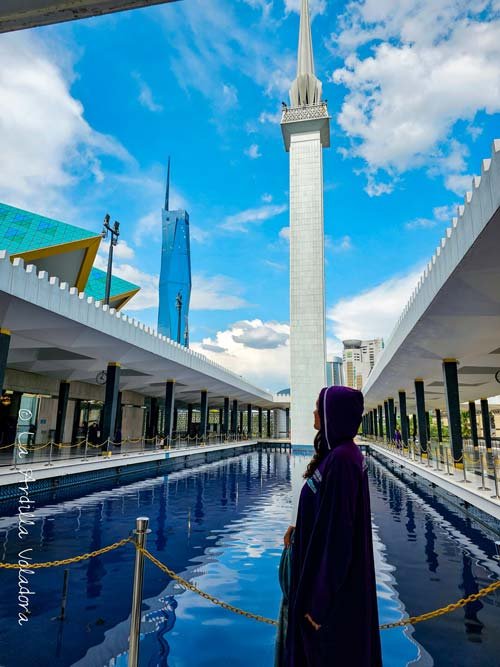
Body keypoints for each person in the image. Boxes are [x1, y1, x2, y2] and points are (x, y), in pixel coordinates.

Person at [280, 386, 382, 667]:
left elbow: (340, 536)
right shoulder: (336, 455)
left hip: (329, 601)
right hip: (318, 583)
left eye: (317, 407)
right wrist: (300, 530)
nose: (314, 412)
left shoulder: (343, 460)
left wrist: (319, 604)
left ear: (331, 414)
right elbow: (328, 514)